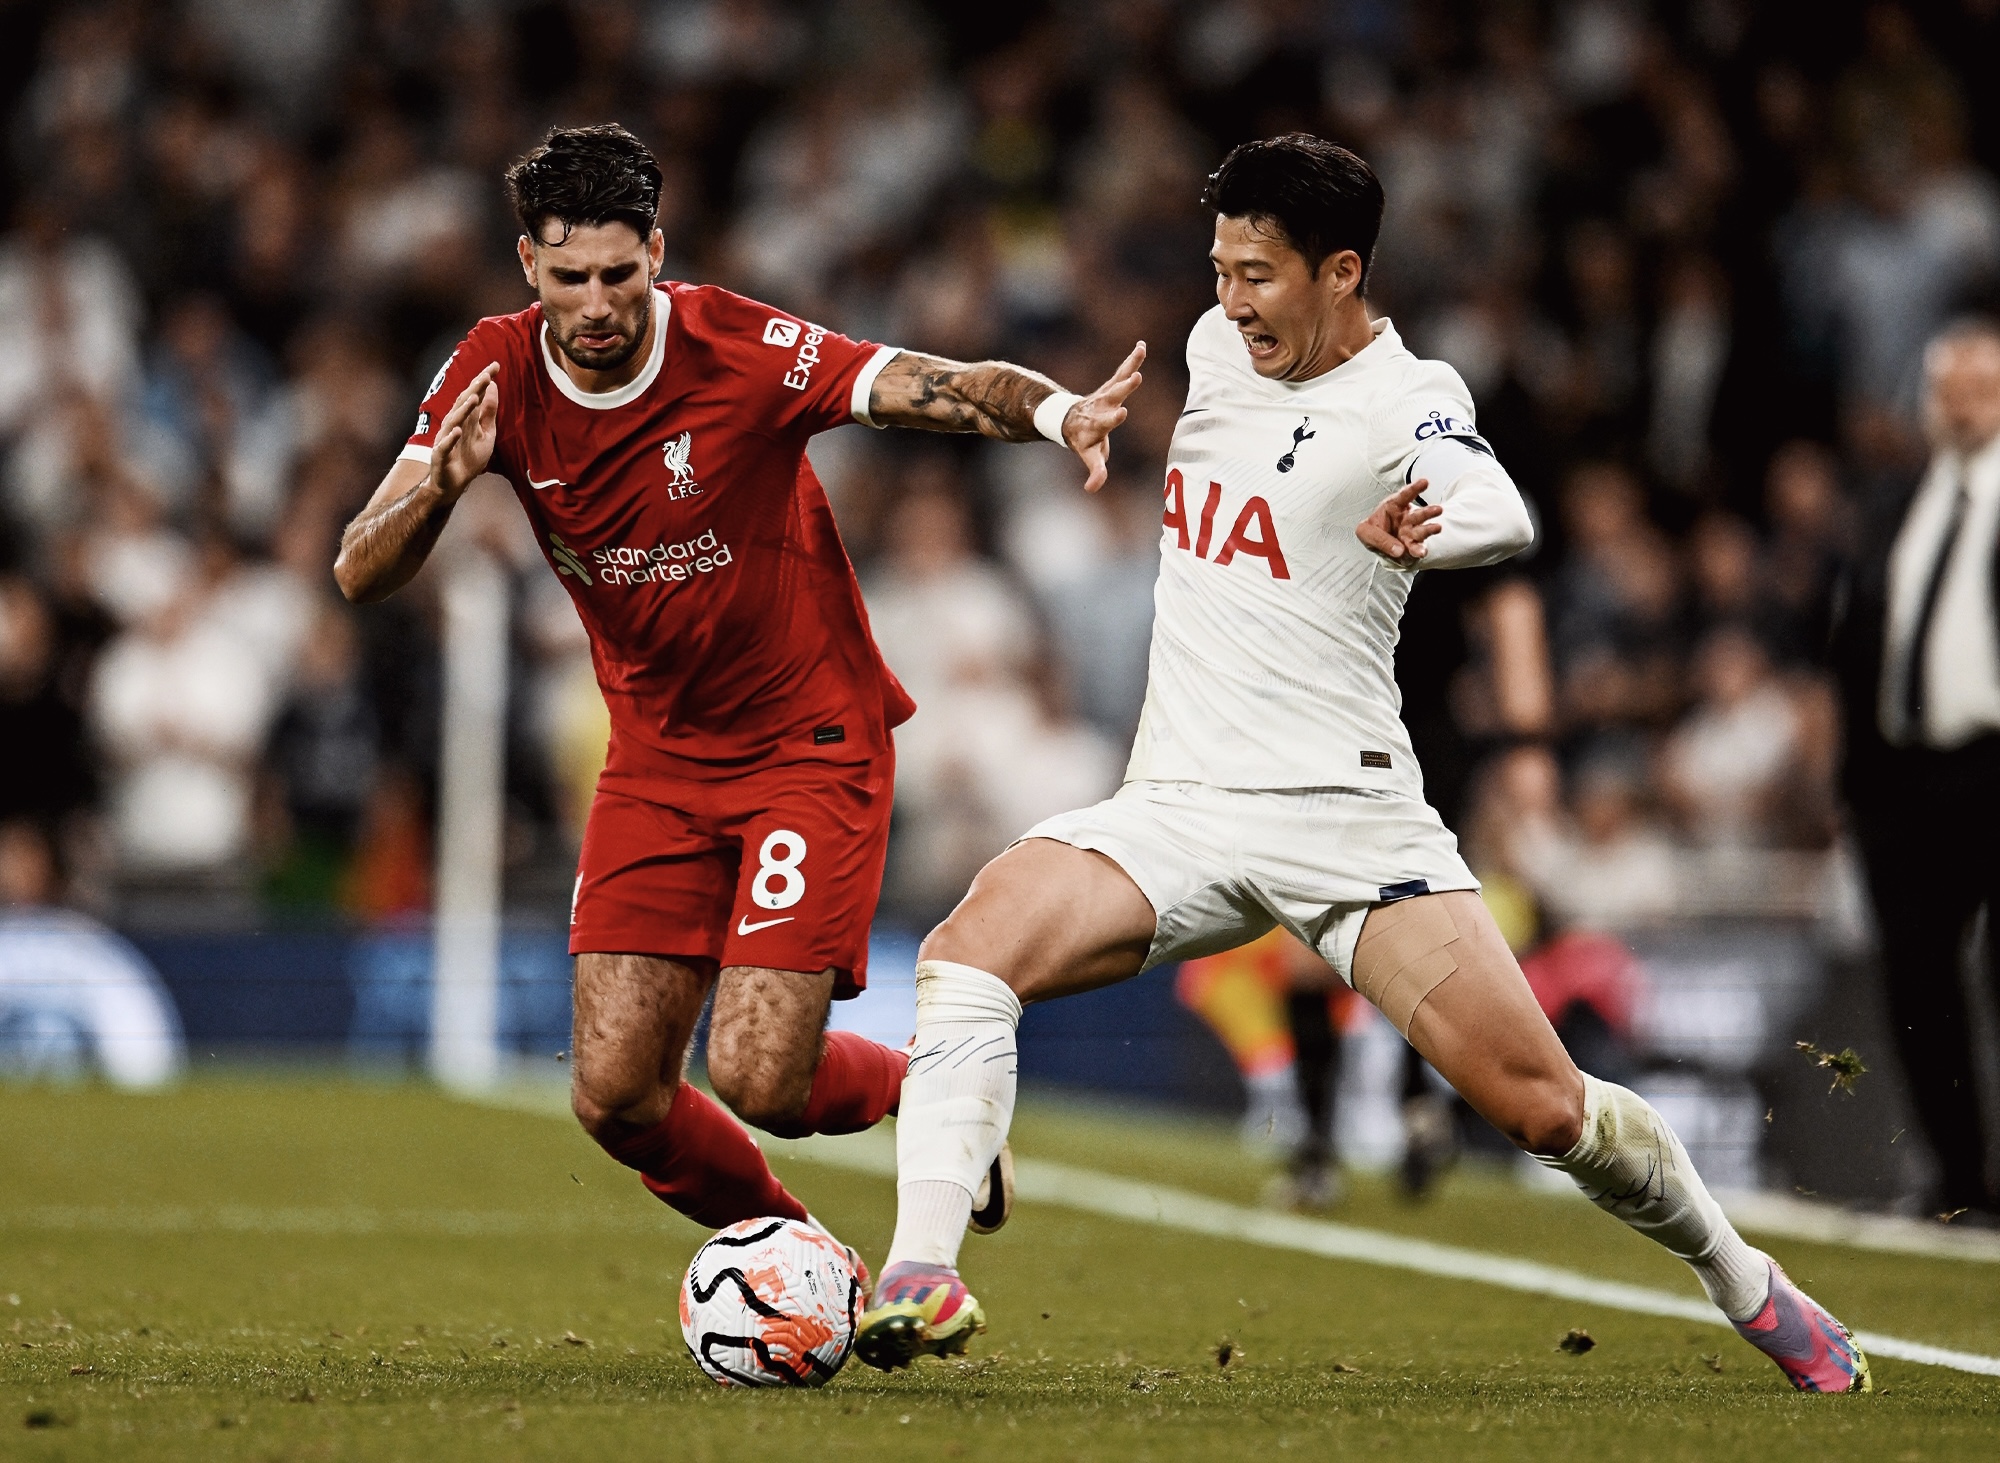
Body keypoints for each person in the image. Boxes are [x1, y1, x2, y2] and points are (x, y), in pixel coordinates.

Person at [856, 135, 1869, 1395]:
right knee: (965, 953)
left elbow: (1497, 507)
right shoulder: (1213, 348)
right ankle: (920, 1268)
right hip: (1175, 802)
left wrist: (1429, 530)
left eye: (1259, 274)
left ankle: (1747, 1282)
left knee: (1545, 1109)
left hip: (1344, 818)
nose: (1230, 300)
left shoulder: (1407, 396)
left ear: (1340, 271)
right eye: (1219, 269)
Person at [333, 126, 1142, 1256]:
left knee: (760, 1075)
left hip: (807, 741)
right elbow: (357, 568)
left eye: (620, 274)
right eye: (570, 278)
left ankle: (926, 1085)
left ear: (657, 253)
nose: (597, 303)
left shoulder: (739, 346)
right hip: (655, 756)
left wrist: (1057, 413)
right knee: (616, 1095)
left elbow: (929, 385)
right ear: (529, 266)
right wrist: (439, 491)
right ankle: (800, 1261)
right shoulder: (492, 369)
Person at [1833, 317, 2000, 1227]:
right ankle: (1959, 1181)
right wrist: (1856, 780)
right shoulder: (1899, 501)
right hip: (1903, 780)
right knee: (1918, 983)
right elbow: (1859, 640)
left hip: (1994, 763)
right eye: (1951, 391)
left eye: (1984, 390)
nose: (1965, 408)